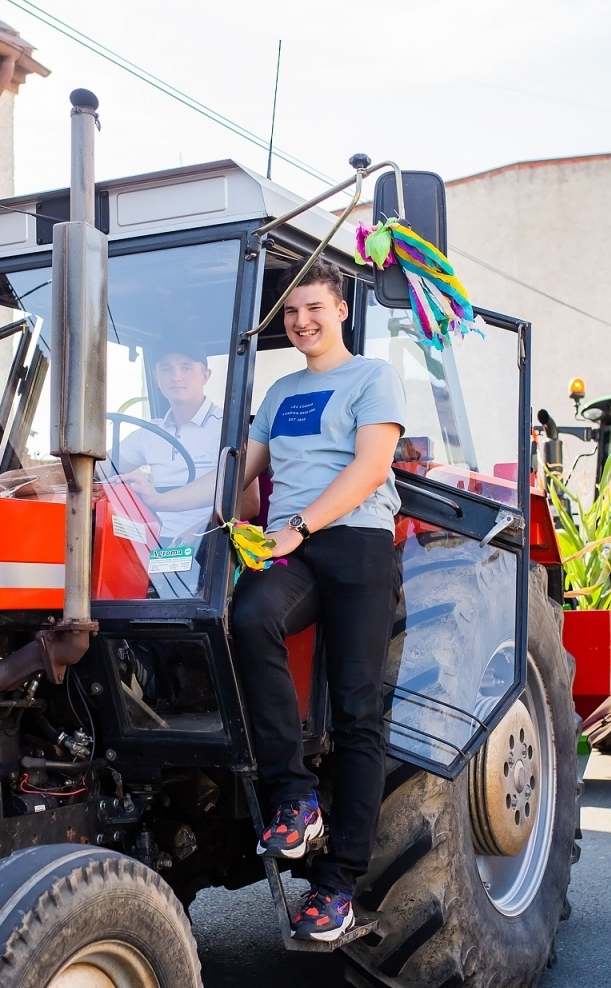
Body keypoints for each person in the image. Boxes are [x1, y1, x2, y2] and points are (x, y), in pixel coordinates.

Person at [230, 258, 406, 942]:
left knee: (359, 712)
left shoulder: (371, 378)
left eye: (315, 308)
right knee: (250, 617)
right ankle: (296, 798)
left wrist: (298, 526)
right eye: (293, 313)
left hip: (356, 541)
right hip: (293, 547)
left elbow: (371, 467)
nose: (302, 321)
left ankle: (338, 889)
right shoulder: (279, 392)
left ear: (340, 312)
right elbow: (239, 468)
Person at [112, 350, 224, 543]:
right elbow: (97, 467)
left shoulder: (227, 426)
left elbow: (249, 502)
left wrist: (197, 532)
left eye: (186, 368)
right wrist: (44, 476)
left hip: (208, 540)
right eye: (166, 369)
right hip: (152, 538)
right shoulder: (149, 433)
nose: (176, 377)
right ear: (156, 377)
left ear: (206, 375)